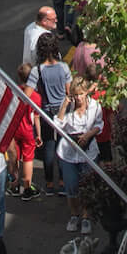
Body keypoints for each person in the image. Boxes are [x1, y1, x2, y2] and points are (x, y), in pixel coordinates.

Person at [56, 78, 103, 234]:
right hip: (69, 153)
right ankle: (74, 215)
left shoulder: (95, 106)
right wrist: (64, 105)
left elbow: (99, 125)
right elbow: (58, 124)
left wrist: (88, 135)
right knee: (71, 186)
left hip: (88, 152)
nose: (79, 98)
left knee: (87, 186)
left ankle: (85, 217)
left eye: (81, 94)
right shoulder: (69, 108)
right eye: (76, 95)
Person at [34, 32, 72, 195]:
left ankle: (49, 183)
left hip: (47, 111)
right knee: (62, 146)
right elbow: (69, 92)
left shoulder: (38, 70)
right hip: (63, 110)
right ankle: (63, 181)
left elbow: (29, 94)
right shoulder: (64, 67)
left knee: (49, 146)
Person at [6, 62, 41, 199]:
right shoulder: (35, 96)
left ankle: (13, 185)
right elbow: (36, 117)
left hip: (15, 130)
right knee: (28, 159)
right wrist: (39, 135)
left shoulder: (14, 92)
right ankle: (27, 188)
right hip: (28, 130)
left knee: (14, 158)